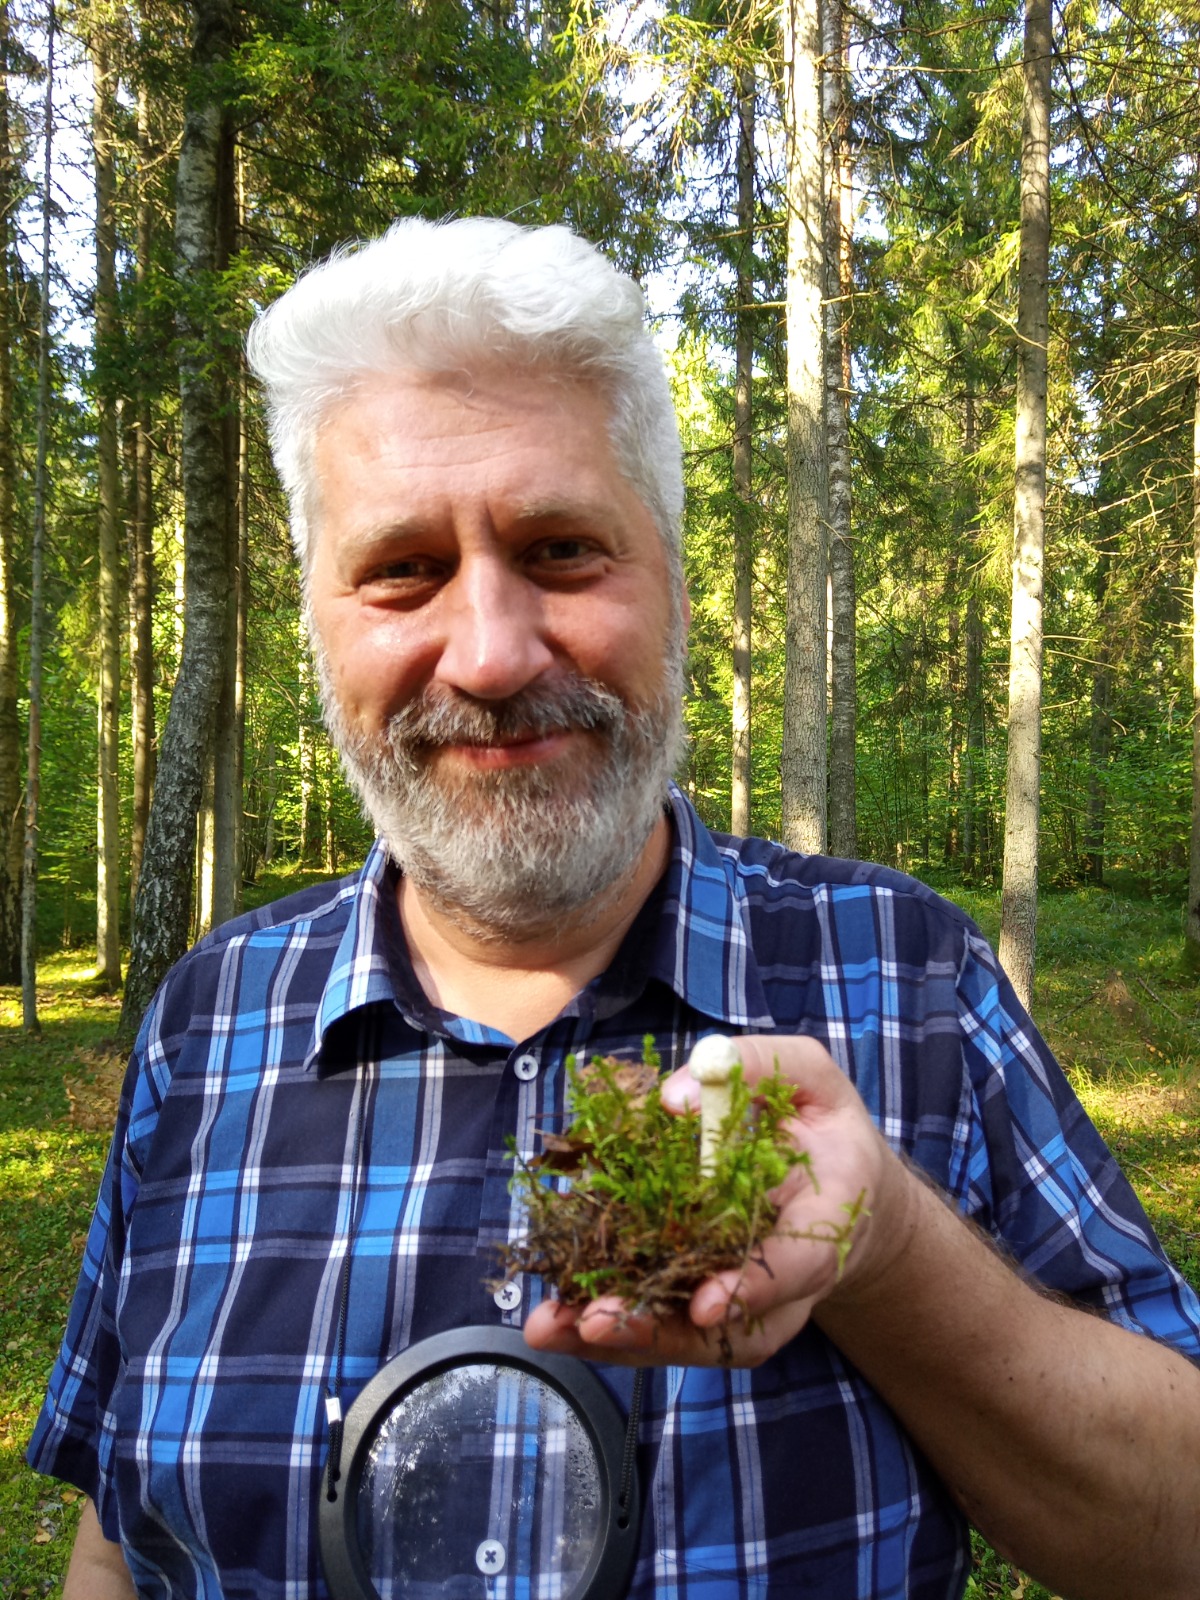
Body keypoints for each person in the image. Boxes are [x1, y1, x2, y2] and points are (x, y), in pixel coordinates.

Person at [29, 217, 1200, 1600]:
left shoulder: (910, 977)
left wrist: (885, 1247)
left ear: (675, 586)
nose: (490, 654)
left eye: (563, 549)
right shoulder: (205, 1024)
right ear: (317, 622)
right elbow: (120, 1540)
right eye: (403, 567)